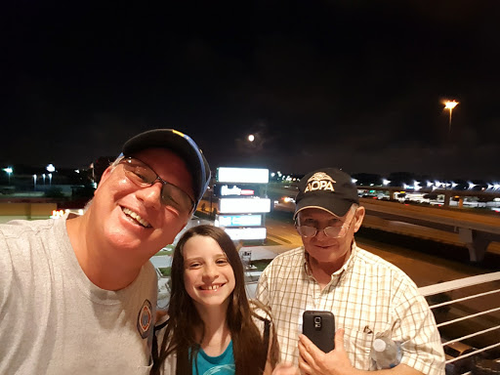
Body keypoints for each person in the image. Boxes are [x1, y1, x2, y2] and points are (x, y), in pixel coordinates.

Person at [0, 129, 211, 374]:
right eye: (139, 174)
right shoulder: (10, 260)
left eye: (174, 198)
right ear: (105, 177)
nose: (152, 196)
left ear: (180, 228)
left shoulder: (147, 280)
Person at [256, 168, 446, 375]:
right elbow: (258, 342)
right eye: (309, 223)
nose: (320, 237)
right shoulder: (276, 272)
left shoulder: (394, 286)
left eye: (334, 223)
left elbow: (428, 367)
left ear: (357, 219)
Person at [151, 225, 280, 375]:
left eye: (221, 261)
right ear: (181, 275)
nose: (210, 274)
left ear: (235, 268)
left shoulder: (261, 325)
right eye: (195, 264)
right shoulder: (162, 337)